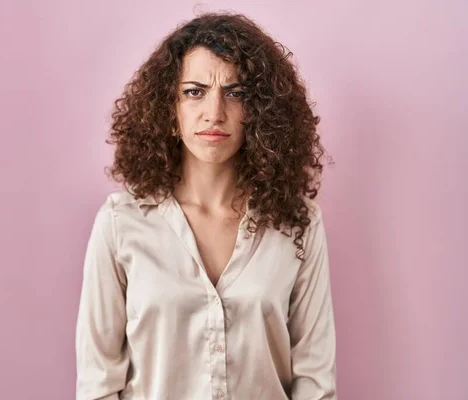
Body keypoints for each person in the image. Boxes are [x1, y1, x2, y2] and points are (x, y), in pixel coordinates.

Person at [75, 11, 336, 400]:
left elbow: (315, 381)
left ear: (260, 111)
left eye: (236, 93)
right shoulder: (120, 223)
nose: (214, 112)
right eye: (195, 91)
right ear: (169, 108)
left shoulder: (298, 224)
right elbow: (98, 383)